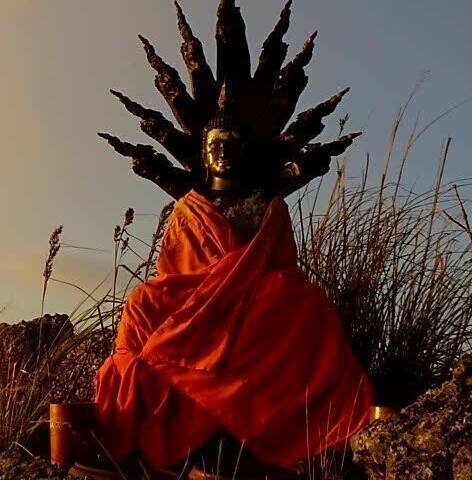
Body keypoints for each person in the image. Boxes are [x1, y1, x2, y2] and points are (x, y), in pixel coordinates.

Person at [87, 1, 373, 476]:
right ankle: (164, 430)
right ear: (201, 153)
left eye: (230, 145)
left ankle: (279, 435)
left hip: (256, 303)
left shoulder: (268, 205)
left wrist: (247, 283)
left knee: (302, 305)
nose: (221, 153)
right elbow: (171, 272)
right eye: (213, 146)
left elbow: (281, 264)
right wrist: (201, 290)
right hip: (192, 300)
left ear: (243, 152)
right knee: (141, 302)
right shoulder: (189, 209)